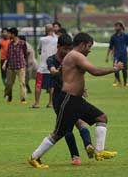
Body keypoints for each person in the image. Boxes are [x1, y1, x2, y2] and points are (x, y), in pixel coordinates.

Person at [28, 32, 124, 169]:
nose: (90, 50)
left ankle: (99, 152)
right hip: (69, 100)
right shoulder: (75, 55)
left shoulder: (72, 56)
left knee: (102, 118)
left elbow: (73, 76)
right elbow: (94, 71)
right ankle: (34, 157)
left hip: (76, 100)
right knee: (58, 133)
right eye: (89, 46)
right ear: (82, 44)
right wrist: (115, 69)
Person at [46, 33, 94, 166]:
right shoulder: (51, 59)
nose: (67, 51)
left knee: (80, 123)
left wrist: (82, 88)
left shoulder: (72, 58)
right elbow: (53, 71)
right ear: (58, 47)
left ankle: (88, 145)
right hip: (59, 99)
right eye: (64, 49)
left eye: (69, 49)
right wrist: (58, 70)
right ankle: (75, 156)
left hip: (72, 96)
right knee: (67, 128)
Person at [33, 24, 58, 108]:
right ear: (53, 30)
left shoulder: (42, 39)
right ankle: (50, 103)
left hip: (42, 67)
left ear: (46, 30)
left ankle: (37, 103)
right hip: (52, 67)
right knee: (52, 86)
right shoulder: (56, 39)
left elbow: (39, 50)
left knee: (38, 85)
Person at [3, 27, 29, 104]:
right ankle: (9, 96)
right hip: (11, 67)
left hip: (20, 66)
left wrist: (25, 64)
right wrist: (5, 63)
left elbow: (25, 54)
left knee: (22, 83)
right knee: (9, 83)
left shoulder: (22, 43)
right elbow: (8, 55)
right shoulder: (10, 44)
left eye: (9, 33)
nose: (8, 35)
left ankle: (23, 99)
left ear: (13, 34)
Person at [106, 21, 128, 87]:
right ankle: (119, 83)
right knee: (115, 69)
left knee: (124, 70)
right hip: (116, 56)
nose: (115, 27)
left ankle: (125, 83)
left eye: (117, 26)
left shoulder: (126, 36)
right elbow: (110, 47)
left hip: (124, 56)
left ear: (121, 27)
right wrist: (107, 56)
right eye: (115, 26)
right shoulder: (113, 37)